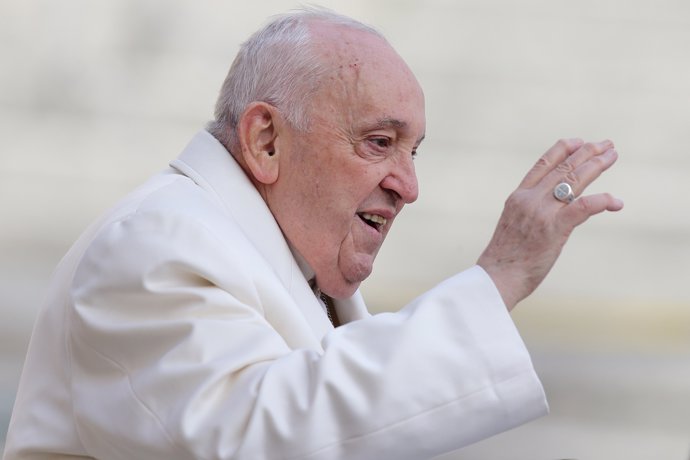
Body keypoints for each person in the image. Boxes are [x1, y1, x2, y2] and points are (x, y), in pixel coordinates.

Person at [3, 7, 623, 460]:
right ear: (266, 141)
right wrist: (501, 275)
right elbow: (252, 438)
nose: (408, 185)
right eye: (379, 143)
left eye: (413, 152)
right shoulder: (154, 245)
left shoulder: (281, 255)